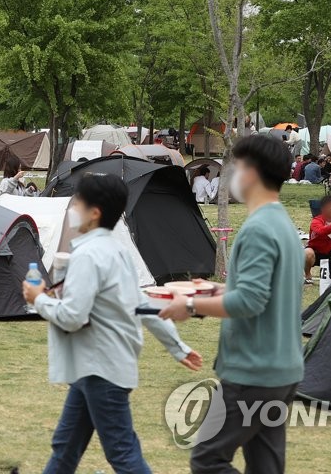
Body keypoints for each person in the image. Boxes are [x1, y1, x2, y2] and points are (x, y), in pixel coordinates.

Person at [23, 173, 201, 474]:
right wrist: (177, 347)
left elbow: (73, 316)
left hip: (99, 368)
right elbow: (142, 304)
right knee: (66, 446)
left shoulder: (89, 255)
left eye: (77, 202)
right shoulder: (116, 250)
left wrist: (38, 299)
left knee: (121, 452)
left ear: (94, 213)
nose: (72, 208)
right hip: (95, 366)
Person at [160, 134, 304, 474]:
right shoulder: (283, 224)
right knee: (265, 465)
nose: (231, 175)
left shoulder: (258, 229)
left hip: (253, 371)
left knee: (208, 460)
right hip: (282, 370)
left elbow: (251, 300)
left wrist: (192, 305)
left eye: (235, 167)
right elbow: (266, 291)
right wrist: (213, 288)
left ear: (251, 172)